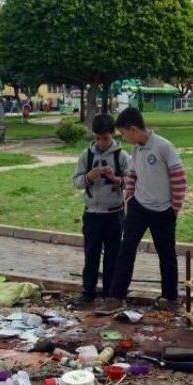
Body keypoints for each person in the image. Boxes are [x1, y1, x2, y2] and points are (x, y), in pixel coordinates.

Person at [109, 107, 187, 310]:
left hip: (164, 210)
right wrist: (130, 196)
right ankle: (116, 296)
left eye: (123, 133)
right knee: (126, 249)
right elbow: (132, 175)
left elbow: (179, 177)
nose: (123, 138)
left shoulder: (163, 146)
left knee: (166, 253)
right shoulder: (136, 149)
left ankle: (170, 298)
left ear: (133, 129)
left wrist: (175, 207)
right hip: (139, 207)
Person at [72, 113, 131, 304]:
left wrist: (116, 179)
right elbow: (76, 182)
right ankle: (88, 292)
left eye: (105, 138)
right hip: (91, 214)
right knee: (91, 255)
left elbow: (132, 182)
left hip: (114, 213)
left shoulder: (122, 156)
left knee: (112, 257)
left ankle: (109, 294)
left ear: (113, 134)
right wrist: (88, 177)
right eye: (97, 138)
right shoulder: (86, 155)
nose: (101, 142)